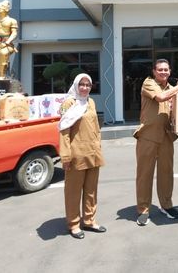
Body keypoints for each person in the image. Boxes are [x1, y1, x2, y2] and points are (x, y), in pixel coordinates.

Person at [134, 59, 178, 226]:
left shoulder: (171, 88)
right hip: (148, 136)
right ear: (154, 71)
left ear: (170, 71)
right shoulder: (148, 83)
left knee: (166, 172)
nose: (163, 72)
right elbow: (160, 98)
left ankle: (166, 204)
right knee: (145, 175)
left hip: (166, 136)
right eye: (160, 70)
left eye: (166, 69)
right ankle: (143, 209)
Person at [58, 73, 106, 239]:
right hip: (76, 155)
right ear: (76, 85)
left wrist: (98, 146)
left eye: (88, 85)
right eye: (82, 84)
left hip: (92, 154)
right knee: (73, 191)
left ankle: (89, 220)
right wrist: (65, 156)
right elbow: (64, 131)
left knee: (91, 190)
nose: (85, 88)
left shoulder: (90, 102)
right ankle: (73, 224)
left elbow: (96, 128)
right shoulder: (69, 103)